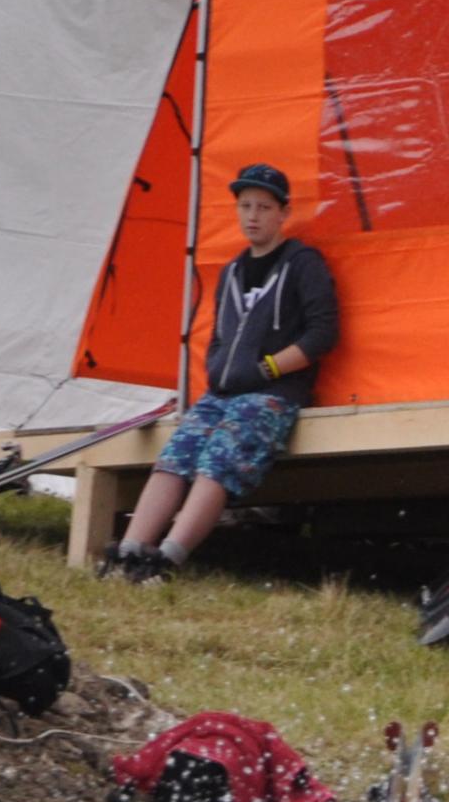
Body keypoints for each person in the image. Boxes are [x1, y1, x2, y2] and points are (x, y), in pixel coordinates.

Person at [111, 163, 337, 581]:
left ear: (283, 213)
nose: (253, 216)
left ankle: (166, 560)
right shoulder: (232, 270)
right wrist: (216, 369)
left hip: (273, 394)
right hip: (223, 391)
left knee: (219, 459)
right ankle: (128, 553)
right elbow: (218, 335)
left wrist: (269, 368)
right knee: (175, 457)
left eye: (264, 207)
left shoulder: (303, 263)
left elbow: (322, 333)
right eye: (245, 206)